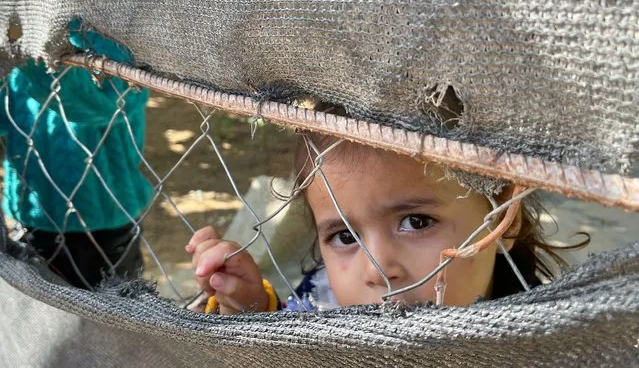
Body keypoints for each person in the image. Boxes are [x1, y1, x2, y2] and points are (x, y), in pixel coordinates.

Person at [186, 107, 586, 314]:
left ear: (500, 220)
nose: (378, 271)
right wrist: (253, 306)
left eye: (416, 222)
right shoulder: (321, 311)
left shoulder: (549, 342)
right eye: (344, 236)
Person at [0, 19, 154, 288]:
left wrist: (31, 54)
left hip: (106, 222)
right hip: (32, 218)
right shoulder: (15, 28)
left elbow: (104, 104)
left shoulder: (112, 28)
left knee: (113, 318)